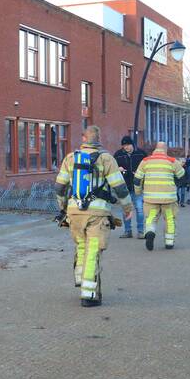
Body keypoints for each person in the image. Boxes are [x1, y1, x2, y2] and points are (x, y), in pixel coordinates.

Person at [55, 125, 134, 307]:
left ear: (84, 139)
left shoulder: (70, 158)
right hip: (97, 213)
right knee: (93, 250)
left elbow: (59, 187)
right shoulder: (107, 159)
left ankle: (80, 279)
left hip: (74, 212)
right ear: (99, 139)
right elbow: (119, 187)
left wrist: (63, 206)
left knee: (81, 246)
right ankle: (89, 294)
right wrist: (128, 208)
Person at [135, 141, 186, 250]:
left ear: (155, 149)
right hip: (169, 198)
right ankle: (169, 242)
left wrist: (138, 192)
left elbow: (137, 179)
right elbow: (182, 175)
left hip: (150, 198)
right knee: (170, 219)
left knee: (151, 218)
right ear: (165, 149)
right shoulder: (172, 161)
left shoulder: (145, 161)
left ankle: (150, 232)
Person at [113, 136, 147, 239]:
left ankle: (141, 231)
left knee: (139, 209)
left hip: (138, 186)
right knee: (126, 210)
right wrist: (117, 169)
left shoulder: (141, 153)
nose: (126, 147)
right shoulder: (118, 155)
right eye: (124, 146)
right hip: (124, 186)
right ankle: (128, 231)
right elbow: (113, 168)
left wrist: (142, 173)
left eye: (127, 145)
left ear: (132, 144)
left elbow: (147, 167)